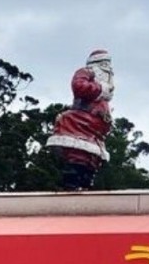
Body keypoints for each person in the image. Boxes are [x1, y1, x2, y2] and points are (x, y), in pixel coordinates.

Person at [46, 49, 114, 190]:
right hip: (82, 121)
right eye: (104, 64)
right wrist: (100, 88)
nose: (108, 68)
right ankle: (72, 182)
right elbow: (79, 87)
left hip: (96, 129)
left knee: (91, 159)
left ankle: (85, 182)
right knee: (78, 154)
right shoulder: (87, 73)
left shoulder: (105, 90)